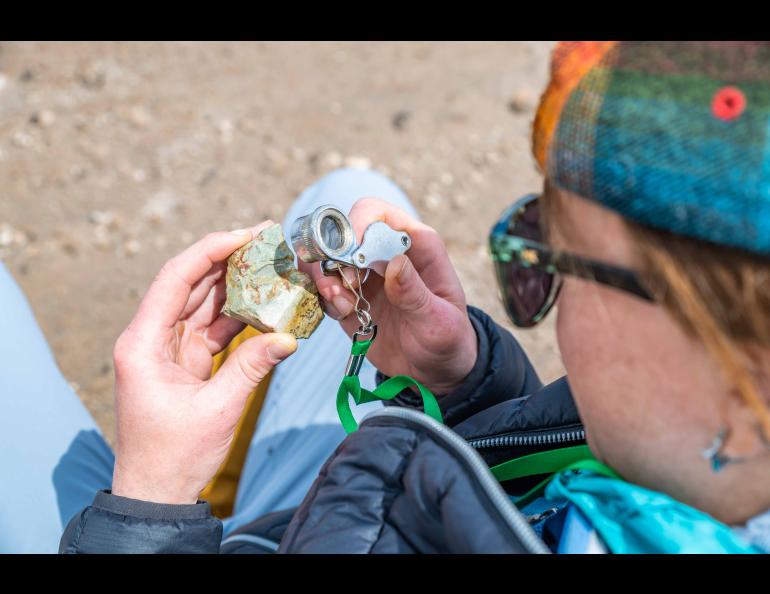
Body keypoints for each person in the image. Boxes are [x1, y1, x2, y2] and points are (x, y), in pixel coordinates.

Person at [12, 40, 770, 554]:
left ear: (746, 374)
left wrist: (151, 500)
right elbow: (517, 482)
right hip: (338, 510)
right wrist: (461, 382)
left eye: (548, 265)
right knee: (352, 192)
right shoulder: (687, 459)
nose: (544, 297)